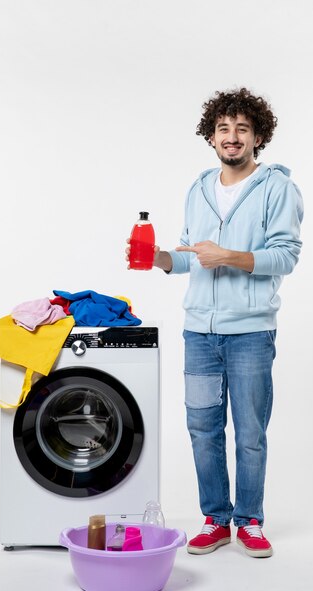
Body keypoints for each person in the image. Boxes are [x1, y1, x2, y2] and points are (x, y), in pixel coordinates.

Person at [126, 87, 303, 558]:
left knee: (249, 432)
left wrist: (230, 256)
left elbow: (286, 256)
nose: (232, 137)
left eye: (242, 128)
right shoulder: (199, 187)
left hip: (250, 332)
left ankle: (250, 521)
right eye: (223, 128)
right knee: (203, 429)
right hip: (200, 333)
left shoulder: (278, 188)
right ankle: (216, 519)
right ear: (211, 136)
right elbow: (189, 256)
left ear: (257, 136)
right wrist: (160, 259)